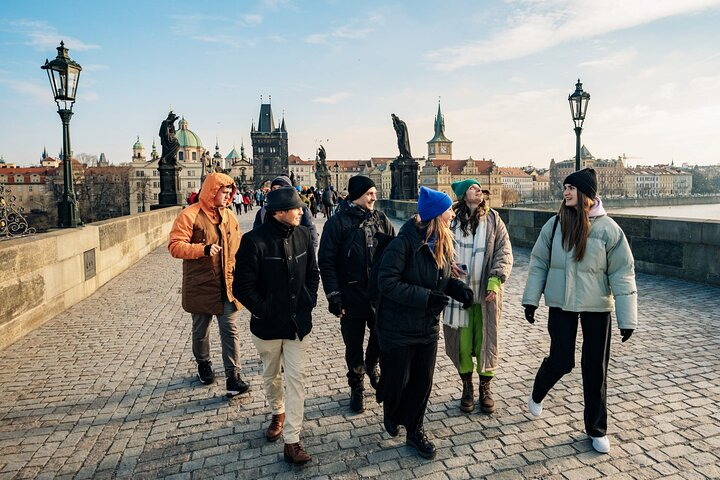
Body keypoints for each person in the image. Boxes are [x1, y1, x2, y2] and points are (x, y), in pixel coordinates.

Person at [521, 168, 637, 454]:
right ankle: (538, 391)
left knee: (595, 368)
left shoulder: (609, 229)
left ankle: (597, 429)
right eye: (565, 188)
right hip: (562, 303)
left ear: (587, 194)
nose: (566, 192)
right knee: (561, 361)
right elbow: (538, 263)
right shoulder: (555, 225)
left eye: (572, 188)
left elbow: (623, 273)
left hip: (597, 305)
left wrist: (627, 318)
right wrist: (531, 300)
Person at [375, 187, 473, 459]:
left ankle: (415, 430)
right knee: (397, 381)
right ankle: (392, 408)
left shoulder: (441, 242)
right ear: (435, 216)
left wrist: (458, 289)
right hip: (397, 327)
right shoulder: (403, 244)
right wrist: (426, 298)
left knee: (422, 382)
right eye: (449, 210)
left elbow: (438, 279)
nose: (453, 214)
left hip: (426, 327)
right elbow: (387, 283)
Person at [233, 187, 320, 465]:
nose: (302, 212)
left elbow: (313, 275)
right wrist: (266, 310)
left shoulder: (304, 235)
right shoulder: (253, 241)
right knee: (271, 376)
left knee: (297, 379)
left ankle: (292, 441)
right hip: (268, 327)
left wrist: (308, 302)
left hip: (297, 325)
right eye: (296, 208)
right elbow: (242, 287)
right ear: (280, 212)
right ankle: (278, 411)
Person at [318, 176, 396, 414]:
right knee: (353, 344)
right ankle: (357, 386)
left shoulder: (380, 219)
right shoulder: (337, 223)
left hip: (378, 295)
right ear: (357, 195)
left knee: (381, 337)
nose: (374, 197)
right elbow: (327, 261)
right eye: (369, 193)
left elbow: (395, 251)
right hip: (350, 294)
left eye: (374, 193)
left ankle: (372, 365)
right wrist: (334, 296)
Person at [168, 172, 250, 397]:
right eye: (224, 192)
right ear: (212, 191)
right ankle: (203, 363)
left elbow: (239, 244)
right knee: (201, 330)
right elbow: (175, 246)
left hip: (227, 283)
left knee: (230, 330)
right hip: (202, 283)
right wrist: (201, 250)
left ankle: (233, 376)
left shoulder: (230, 216)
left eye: (229, 193)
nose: (227, 197)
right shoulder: (190, 215)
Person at [443, 179, 513, 414]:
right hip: (458, 295)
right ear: (464, 195)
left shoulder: (494, 219)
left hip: (486, 295)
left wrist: (496, 279)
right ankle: (467, 387)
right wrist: (447, 264)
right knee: (462, 345)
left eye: (480, 187)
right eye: (473, 188)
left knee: (486, 341)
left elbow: (504, 251)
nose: (479, 190)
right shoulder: (450, 219)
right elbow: (439, 246)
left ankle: (485, 388)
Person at [253, 176, 318, 248]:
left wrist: (309, 253)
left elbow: (312, 235)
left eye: (280, 188)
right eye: (274, 189)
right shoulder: (263, 211)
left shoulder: (302, 210)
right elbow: (256, 237)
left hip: (296, 250)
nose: (276, 191)